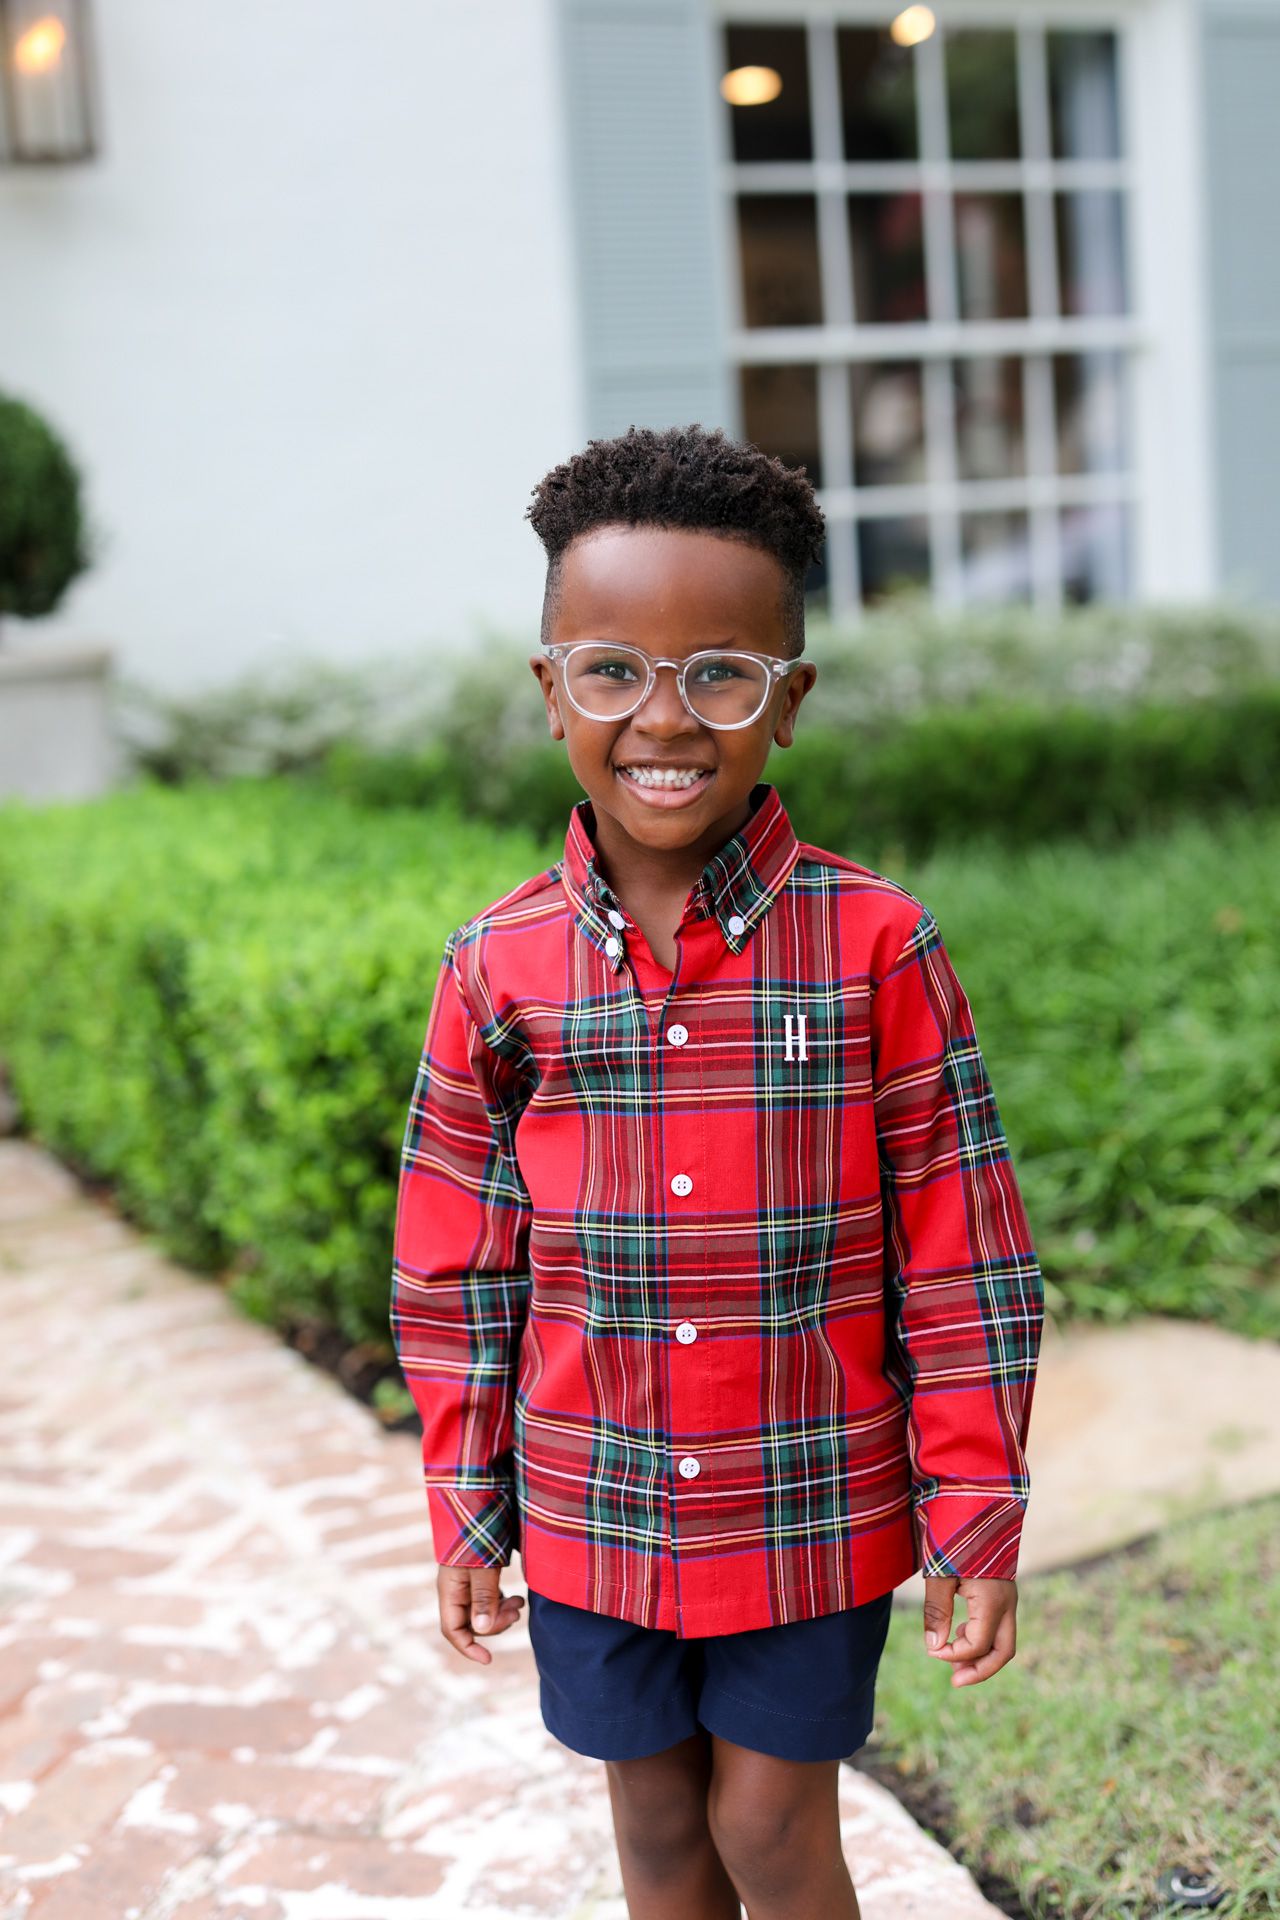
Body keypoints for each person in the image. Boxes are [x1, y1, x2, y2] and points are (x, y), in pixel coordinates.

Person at [390, 423, 1045, 1920]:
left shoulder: (878, 944)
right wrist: (466, 1501)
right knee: (664, 1840)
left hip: (804, 1504)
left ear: (788, 700)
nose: (664, 720)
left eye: (721, 675)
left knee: (767, 1828)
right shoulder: (497, 966)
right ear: (552, 691)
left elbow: (965, 1254)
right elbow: (453, 1264)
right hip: (594, 1503)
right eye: (612, 670)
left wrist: (975, 1507)